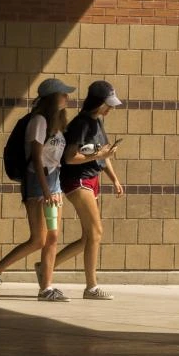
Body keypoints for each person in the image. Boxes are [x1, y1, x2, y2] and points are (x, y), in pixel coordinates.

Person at [0, 78, 75, 301]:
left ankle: (45, 288)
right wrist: (45, 190)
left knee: (51, 237)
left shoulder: (57, 124)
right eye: (63, 94)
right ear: (53, 97)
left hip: (53, 182)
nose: (67, 97)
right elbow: (35, 156)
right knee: (39, 238)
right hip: (38, 182)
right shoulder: (39, 121)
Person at [54, 80, 125, 300]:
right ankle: (91, 287)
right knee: (97, 232)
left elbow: (105, 154)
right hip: (77, 180)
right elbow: (69, 157)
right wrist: (98, 156)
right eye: (108, 104)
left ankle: (46, 267)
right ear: (97, 103)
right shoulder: (81, 124)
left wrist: (114, 179)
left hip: (91, 179)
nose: (111, 109)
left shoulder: (98, 122)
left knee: (88, 237)